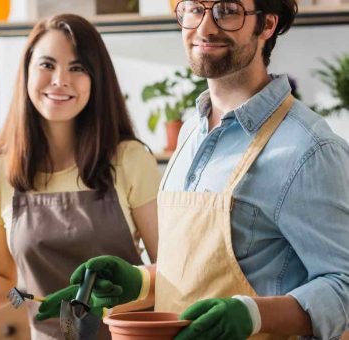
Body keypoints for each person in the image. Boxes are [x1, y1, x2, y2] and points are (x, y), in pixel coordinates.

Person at [38, 1, 349, 339]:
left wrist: (255, 315)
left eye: (227, 10)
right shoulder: (190, 132)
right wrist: (139, 280)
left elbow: (344, 284)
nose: (205, 27)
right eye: (192, 8)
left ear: (267, 25)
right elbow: (199, 270)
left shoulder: (309, 149)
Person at [0, 13, 161, 340]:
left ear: (96, 79)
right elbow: (1, 278)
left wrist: (111, 298)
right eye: (47, 65)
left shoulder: (130, 160)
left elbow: (173, 273)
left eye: (77, 68)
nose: (60, 80)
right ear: (26, 71)